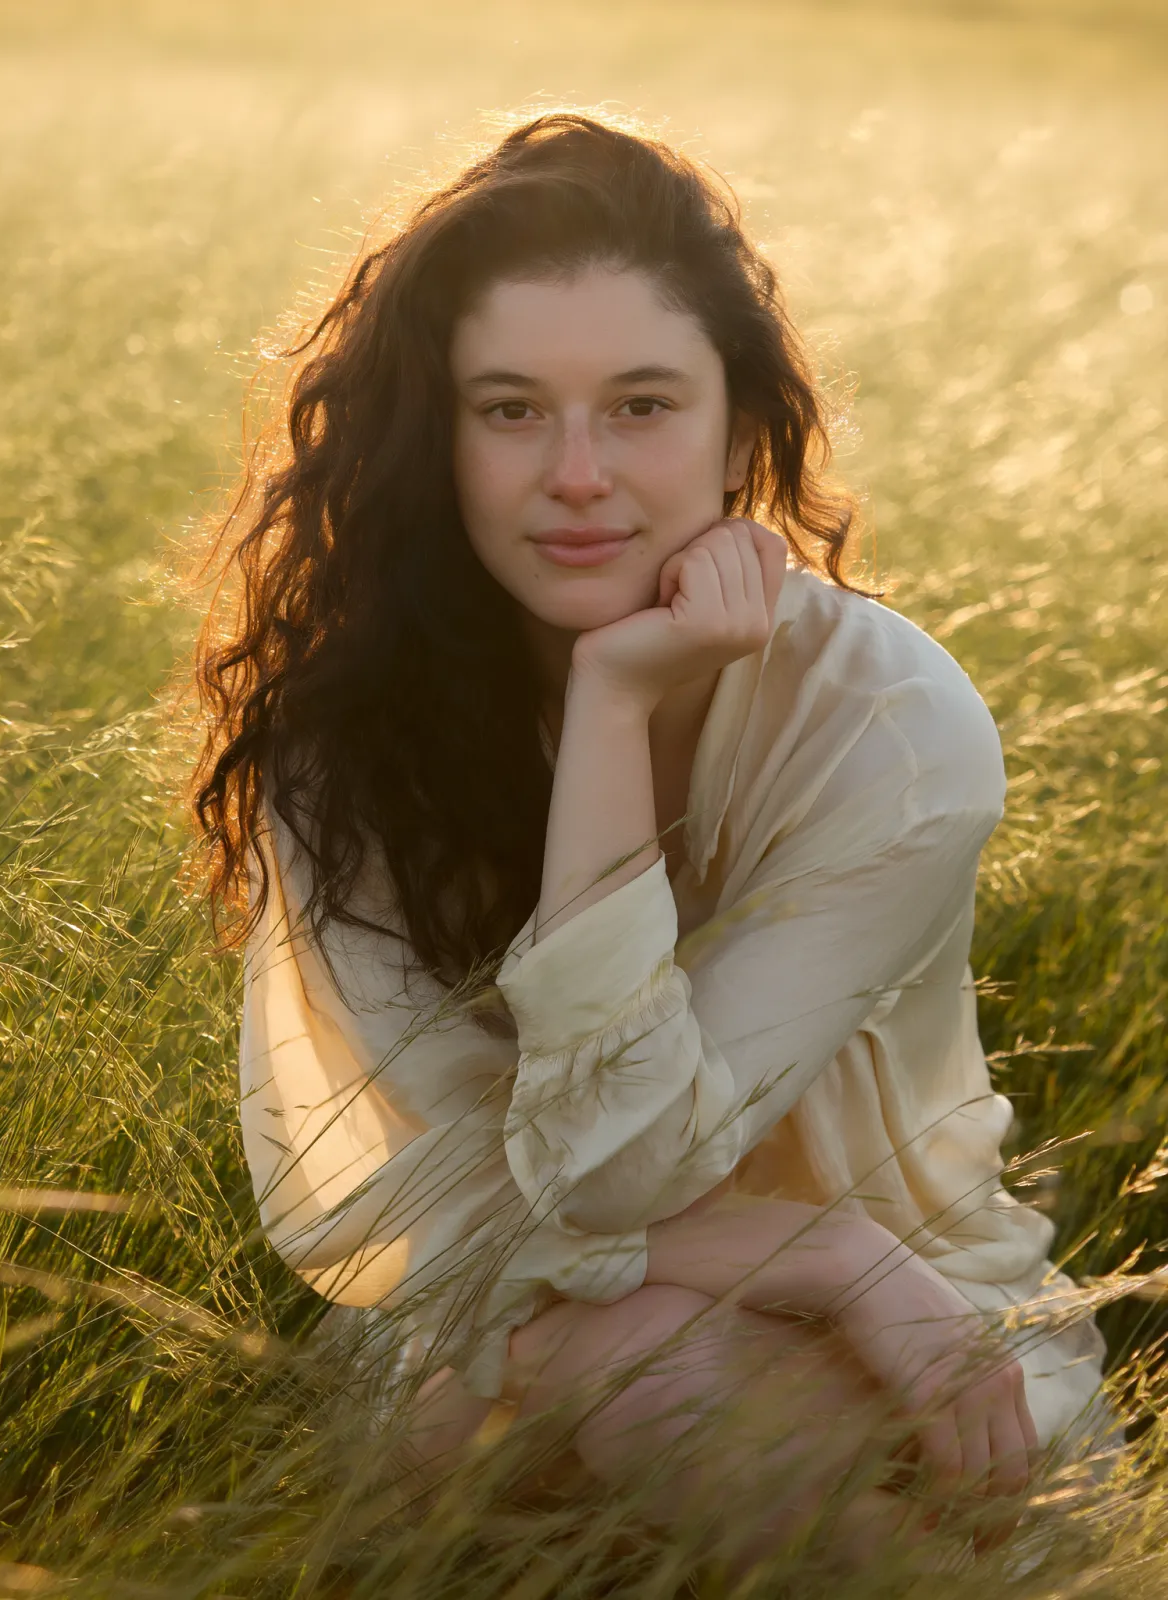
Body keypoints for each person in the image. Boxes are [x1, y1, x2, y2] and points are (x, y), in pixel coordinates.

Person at [193, 112, 1116, 1572]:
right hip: (504, 1315)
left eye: (640, 406)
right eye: (510, 410)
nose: (577, 474)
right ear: (439, 440)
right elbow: (435, 1215)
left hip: (918, 1335)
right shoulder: (354, 735)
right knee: (583, 1368)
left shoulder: (884, 721)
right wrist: (818, 1249)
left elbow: (616, 1177)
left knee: (650, 1374)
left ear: (742, 429)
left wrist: (858, 1263)